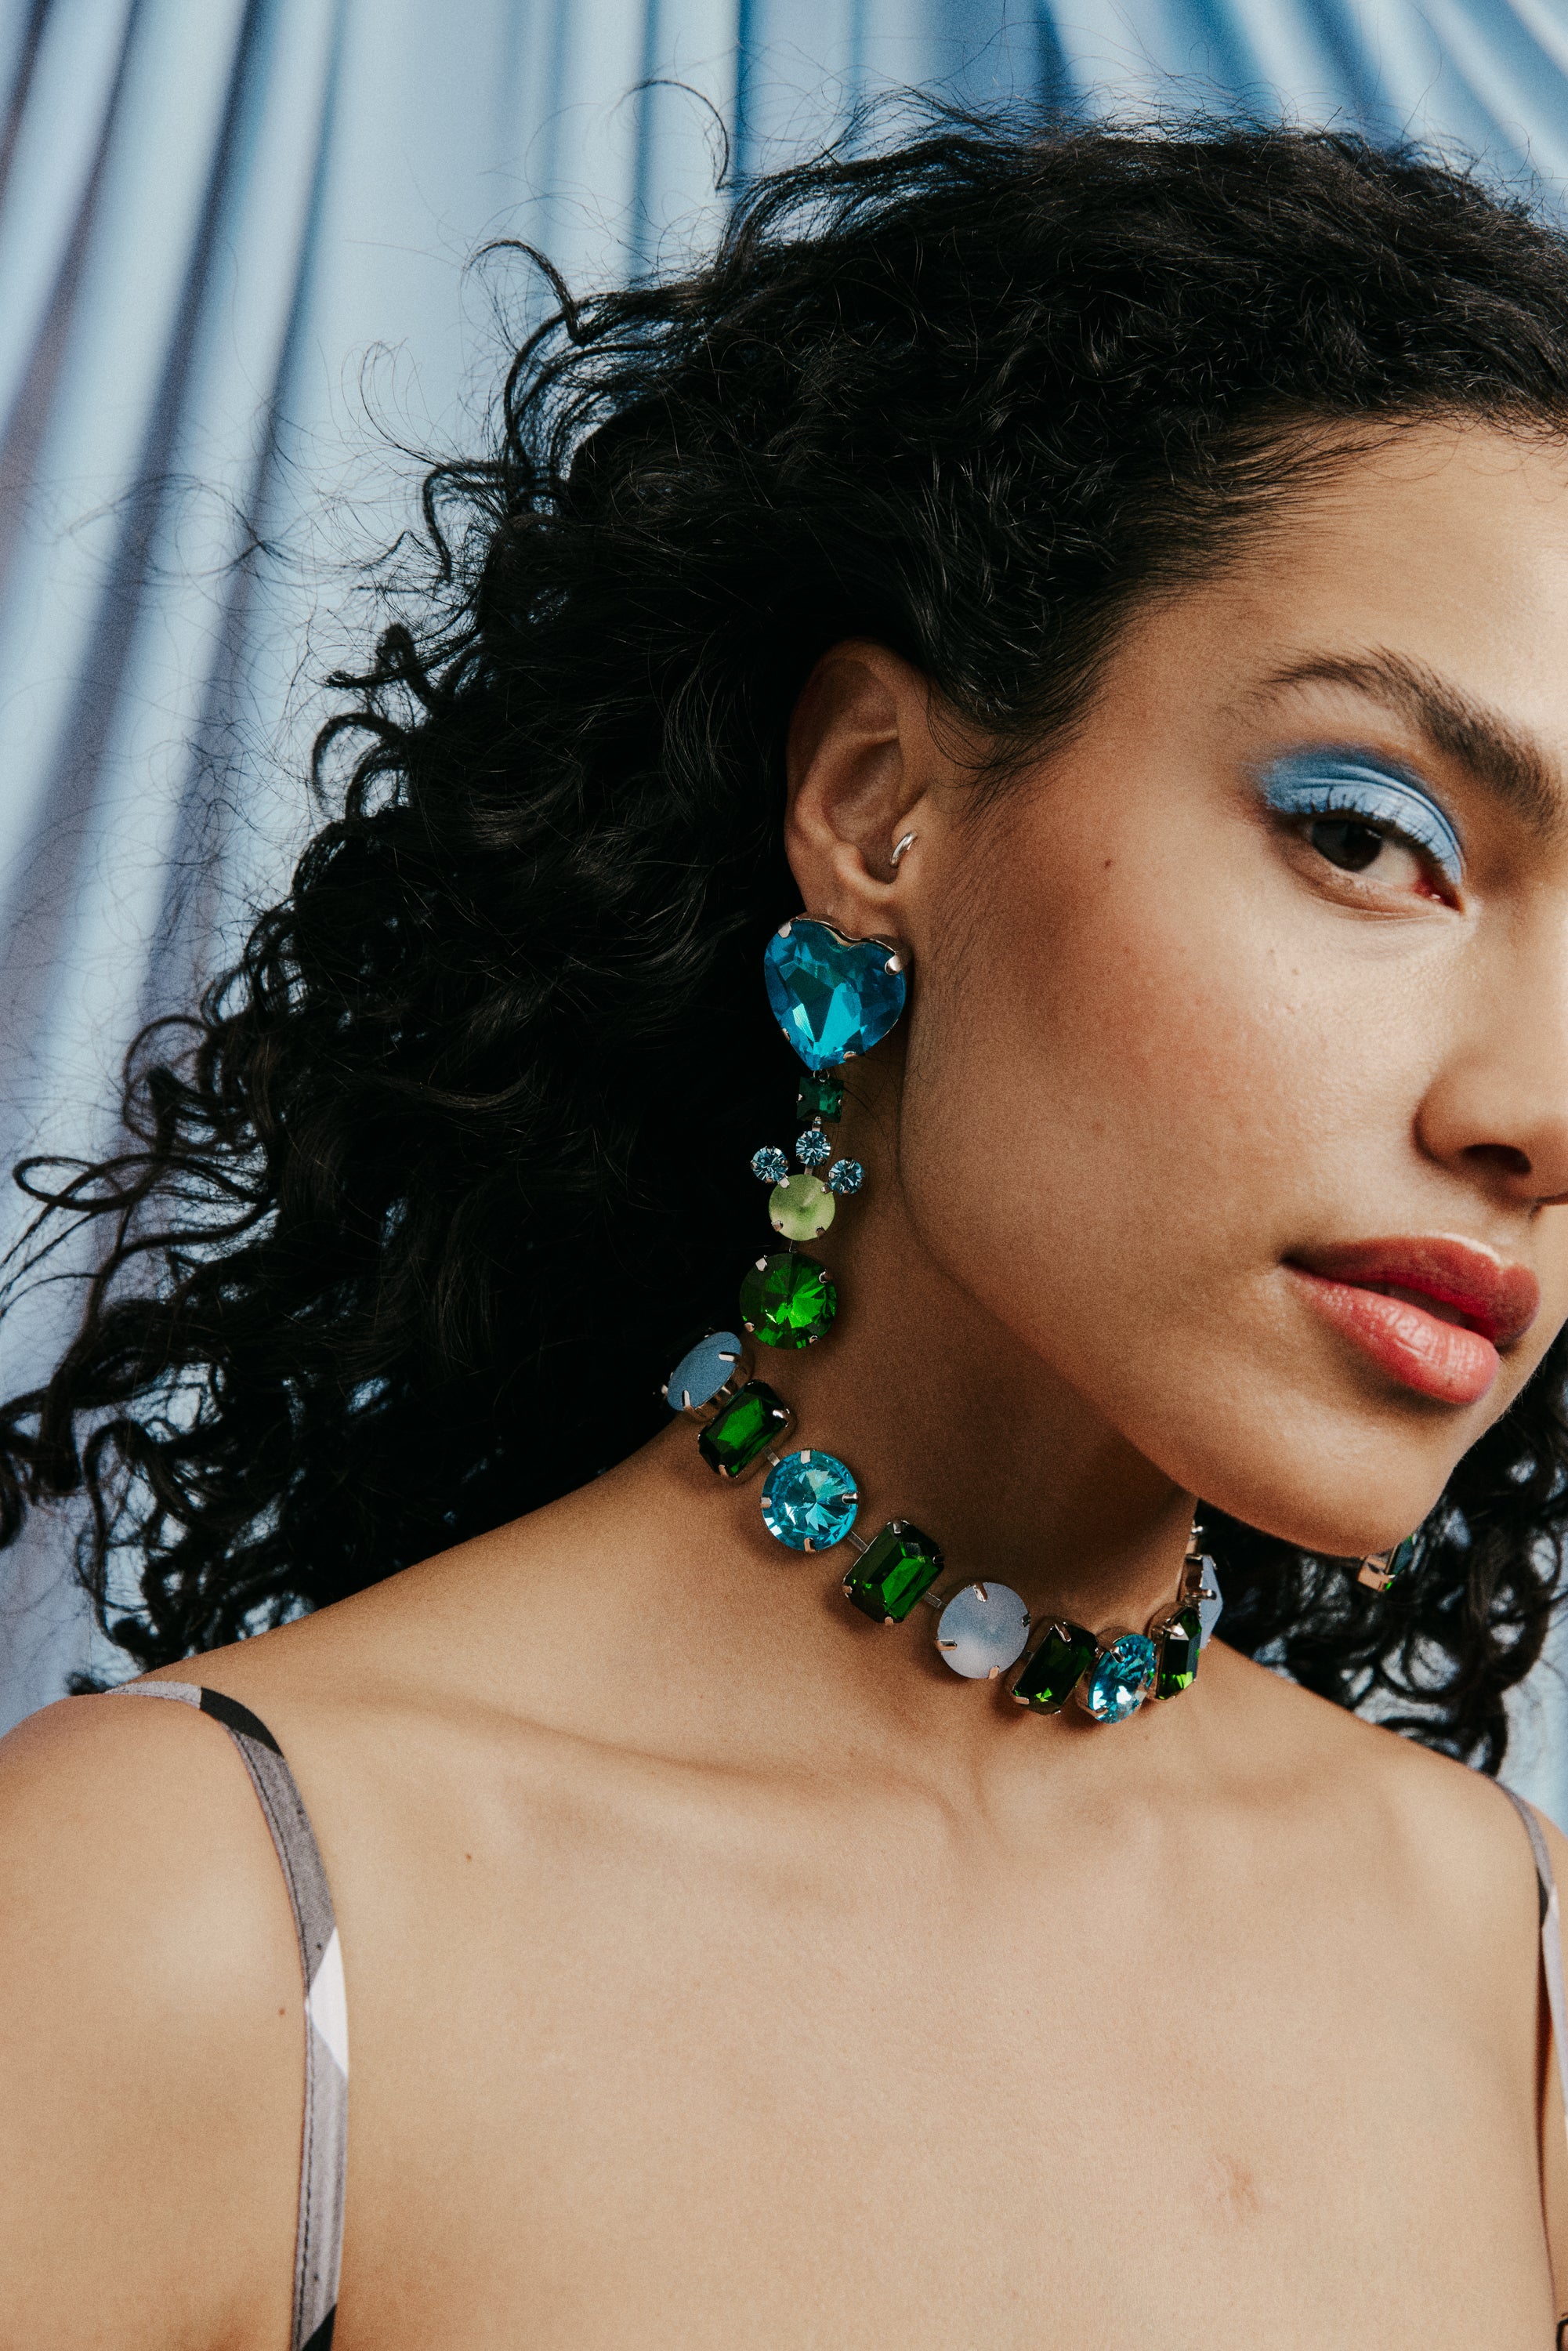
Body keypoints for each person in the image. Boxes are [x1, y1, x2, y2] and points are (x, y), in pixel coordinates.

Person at [2, 109, 1568, 2347]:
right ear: (877, 804)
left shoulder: (1515, 1984)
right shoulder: (190, 1935)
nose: (1538, 1113)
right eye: (1363, 836)